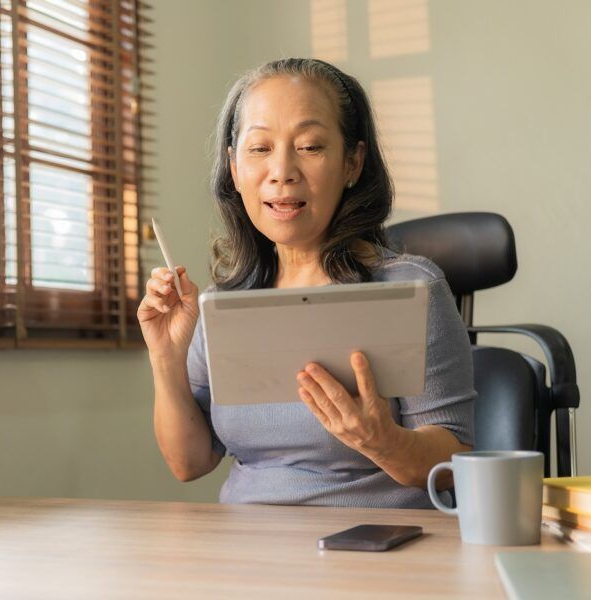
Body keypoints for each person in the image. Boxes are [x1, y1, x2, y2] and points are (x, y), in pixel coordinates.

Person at [137, 58, 475, 508]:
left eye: (310, 146)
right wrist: (166, 358)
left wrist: (383, 442)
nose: (282, 171)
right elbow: (189, 463)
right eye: (259, 149)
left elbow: (456, 459)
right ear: (234, 169)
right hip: (244, 550)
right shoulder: (222, 304)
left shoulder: (411, 289)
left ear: (352, 163)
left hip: (374, 549)